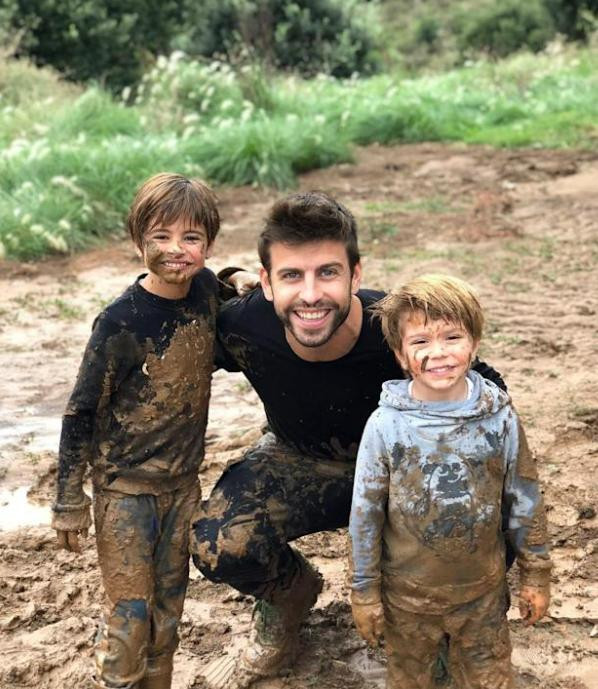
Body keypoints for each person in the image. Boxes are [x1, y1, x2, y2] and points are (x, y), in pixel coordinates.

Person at [191, 192, 507, 689]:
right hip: (298, 459)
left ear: (355, 277)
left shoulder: (396, 329)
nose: (311, 294)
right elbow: (169, 319)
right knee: (220, 544)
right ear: (268, 282)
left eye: (328, 273)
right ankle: (290, 597)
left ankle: (441, 630)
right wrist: (225, 278)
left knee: (480, 515)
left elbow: (487, 389)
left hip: (401, 477)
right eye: (292, 275)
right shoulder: (242, 325)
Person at [51, 172, 221, 689]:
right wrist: (68, 500)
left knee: (168, 616)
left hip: (182, 488)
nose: (177, 250)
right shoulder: (119, 323)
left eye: (191, 238)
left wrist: (239, 276)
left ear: (208, 244)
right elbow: (81, 412)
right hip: (126, 493)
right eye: (161, 237)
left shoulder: (208, 292)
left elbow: (228, 285)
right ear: (137, 240)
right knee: (130, 618)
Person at [349, 274, 552, 689]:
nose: (438, 353)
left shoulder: (500, 418)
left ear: (474, 344)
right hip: (406, 601)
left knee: (490, 678)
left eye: (452, 337)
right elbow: (365, 514)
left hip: (482, 597)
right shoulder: (386, 425)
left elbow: (524, 498)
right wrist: (364, 592)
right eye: (421, 341)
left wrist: (536, 575)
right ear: (401, 355)